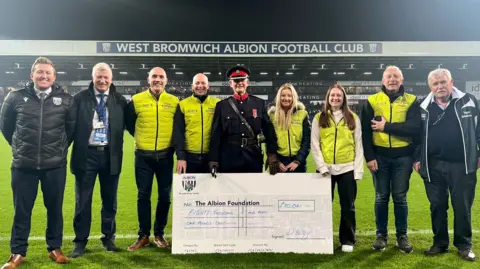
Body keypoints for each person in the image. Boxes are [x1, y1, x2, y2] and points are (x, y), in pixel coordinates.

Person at [0, 57, 75, 268]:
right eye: (40, 72)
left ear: (54, 76)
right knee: (21, 210)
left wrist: (57, 150)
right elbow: (6, 128)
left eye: (47, 73)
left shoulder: (66, 100)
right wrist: (20, 148)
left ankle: (54, 248)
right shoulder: (15, 97)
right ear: (32, 75)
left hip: (55, 166)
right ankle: (17, 252)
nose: (44, 76)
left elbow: (70, 130)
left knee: (54, 209)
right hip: (24, 165)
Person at [414, 68, 478, 261]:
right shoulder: (422, 107)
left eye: (443, 82)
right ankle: (440, 243)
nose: (440, 86)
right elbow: (416, 136)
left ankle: (464, 245)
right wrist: (417, 158)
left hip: (462, 165)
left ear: (451, 83)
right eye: (435, 84)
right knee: (437, 206)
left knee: (462, 206)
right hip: (433, 165)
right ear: (430, 87)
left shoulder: (469, 101)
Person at [68, 63, 128, 258]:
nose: (102, 81)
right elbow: (68, 128)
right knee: (83, 201)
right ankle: (80, 241)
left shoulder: (120, 100)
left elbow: (135, 126)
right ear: (92, 77)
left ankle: (108, 237)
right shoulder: (79, 99)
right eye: (98, 77)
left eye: (106, 77)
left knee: (110, 200)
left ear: (112, 78)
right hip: (86, 155)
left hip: (111, 156)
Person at [361, 65, 420, 253]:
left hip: (403, 156)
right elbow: (364, 132)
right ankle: (381, 236)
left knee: (400, 197)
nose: (392, 79)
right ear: (383, 80)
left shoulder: (412, 101)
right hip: (379, 157)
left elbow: (413, 128)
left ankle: (402, 236)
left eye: (396, 76)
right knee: (381, 197)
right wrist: (369, 157)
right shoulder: (372, 100)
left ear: (401, 80)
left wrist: (386, 127)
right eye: (389, 76)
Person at [125, 67, 179, 251]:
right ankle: (143, 235)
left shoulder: (174, 101)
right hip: (143, 157)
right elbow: (130, 124)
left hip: (165, 156)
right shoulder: (136, 100)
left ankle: (159, 233)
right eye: (154, 76)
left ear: (166, 80)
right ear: (148, 79)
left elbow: (178, 128)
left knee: (165, 196)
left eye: (161, 77)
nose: (157, 80)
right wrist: (142, 140)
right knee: (143, 196)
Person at [311, 84, 363, 252]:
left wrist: (357, 170)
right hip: (325, 169)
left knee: (348, 206)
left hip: (347, 168)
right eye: (332, 95)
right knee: (323, 205)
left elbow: (359, 145)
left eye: (338, 96)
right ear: (328, 98)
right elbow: (315, 143)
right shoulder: (319, 118)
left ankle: (347, 240)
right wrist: (321, 166)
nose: (335, 98)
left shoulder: (353, 117)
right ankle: (321, 237)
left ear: (343, 98)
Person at [208, 65, 279, 176]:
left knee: (253, 191)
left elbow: (269, 131)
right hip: (228, 157)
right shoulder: (222, 106)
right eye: (235, 80)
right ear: (230, 84)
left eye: (242, 80)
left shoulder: (259, 103)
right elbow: (216, 134)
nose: (239, 83)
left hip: (252, 156)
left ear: (247, 82)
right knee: (229, 193)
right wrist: (213, 159)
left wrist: (272, 154)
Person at [173, 73, 219, 174]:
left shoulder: (217, 104)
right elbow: (178, 133)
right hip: (189, 158)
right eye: (197, 83)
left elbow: (220, 132)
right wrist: (181, 157)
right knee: (190, 189)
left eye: (203, 83)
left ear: (208, 86)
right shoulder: (183, 105)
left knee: (211, 189)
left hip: (210, 157)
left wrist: (215, 157)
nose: (200, 86)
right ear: (192, 86)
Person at [268, 83, 310, 172]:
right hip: (279, 163)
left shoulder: (302, 114)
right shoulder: (271, 115)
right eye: (283, 95)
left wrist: (298, 160)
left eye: (289, 96)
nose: (286, 98)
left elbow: (307, 140)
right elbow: (269, 141)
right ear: (279, 97)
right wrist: (277, 162)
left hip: (298, 163)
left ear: (293, 97)